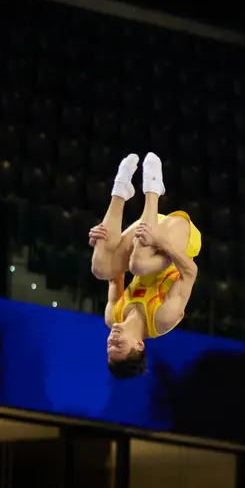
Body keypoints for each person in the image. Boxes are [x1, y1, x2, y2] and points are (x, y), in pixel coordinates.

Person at [87, 153, 202, 378]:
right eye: (119, 346)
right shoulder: (162, 319)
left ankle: (121, 188)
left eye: (109, 347)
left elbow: (115, 274)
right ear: (139, 345)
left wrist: (100, 242)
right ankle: (152, 189)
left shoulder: (113, 316)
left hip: (147, 235)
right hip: (180, 241)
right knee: (139, 265)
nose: (112, 341)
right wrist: (162, 243)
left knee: (100, 268)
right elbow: (190, 272)